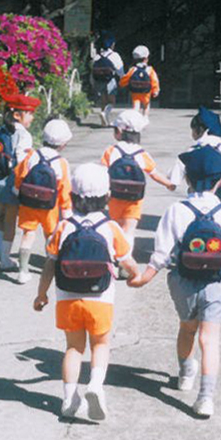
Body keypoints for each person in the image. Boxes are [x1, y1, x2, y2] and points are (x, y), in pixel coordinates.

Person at [128, 145, 221, 419]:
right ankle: (205, 399)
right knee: (210, 339)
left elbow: (161, 254)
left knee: (187, 328)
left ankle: (185, 374)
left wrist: (144, 278)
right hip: (217, 282)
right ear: (219, 182)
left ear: (188, 179)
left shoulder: (176, 210)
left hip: (183, 281)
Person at [33, 163, 141, 421]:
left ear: (72, 195)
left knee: (73, 348)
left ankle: (70, 398)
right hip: (100, 298)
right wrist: (135, 275)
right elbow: (127, 260)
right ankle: (95, 385)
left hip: (67, 298)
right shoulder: (110, 227)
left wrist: (41, 294)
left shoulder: (63, 226)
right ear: (107, 196)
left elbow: (50, 264)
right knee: (101, 343)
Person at [100, 109, 174, 263]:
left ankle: (112, 258)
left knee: (116, 228)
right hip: (134, 199)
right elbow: (154, 173)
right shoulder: (141, 153)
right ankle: (125, 261)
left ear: (119, 131)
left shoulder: (110, 151)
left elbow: (101, 174)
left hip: (114, 198)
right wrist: (168, 184)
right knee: (129, 230)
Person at [0, 93, 41, 272]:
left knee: (1, 215)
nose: (32, 117)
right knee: (11, 221)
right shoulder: (23, 135)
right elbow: (21, 161)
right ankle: (5, 259)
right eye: (29, 113)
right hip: (10, 183)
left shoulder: (2, 130)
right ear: (17, 115)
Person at [14, 118, 73, 285]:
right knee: (51, 236)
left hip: (28, 203)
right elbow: (65, 189)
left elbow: (19, 175)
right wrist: (66, 211)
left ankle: (22, 271)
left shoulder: (32, 155)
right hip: (50, 206)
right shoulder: (61, 163)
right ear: (63, 144)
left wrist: (18, 191)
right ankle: (51, 267)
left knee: (28, 234)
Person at [167, 106, 221, 203]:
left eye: (193, 130)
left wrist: (173, 182)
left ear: (199, 130)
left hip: (197, 191)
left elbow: (180, 165)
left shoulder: (193, 151)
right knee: (219, 212)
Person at [91, 31, 124, 126]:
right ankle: (105, 114)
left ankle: (103, 122)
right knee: (111, 101)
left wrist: (93, 83)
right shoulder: (115, 56)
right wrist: (123, 80)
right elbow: (120, 71)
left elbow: (92, 70)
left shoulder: (97, 57)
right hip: (110, 81)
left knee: (103, 101)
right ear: (112, 45)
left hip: (99, 81)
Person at [119, 45, 160, 117]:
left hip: (135, 91)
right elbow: (154, 80)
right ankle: (145, 118)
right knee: (146, 105)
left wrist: (121, 84)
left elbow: (125, 78)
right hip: (146, 92)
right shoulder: (150, 69)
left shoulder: (133, 69)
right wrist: (155, 90)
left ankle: (135, 118)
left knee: (136, 105)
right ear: (146, 58)